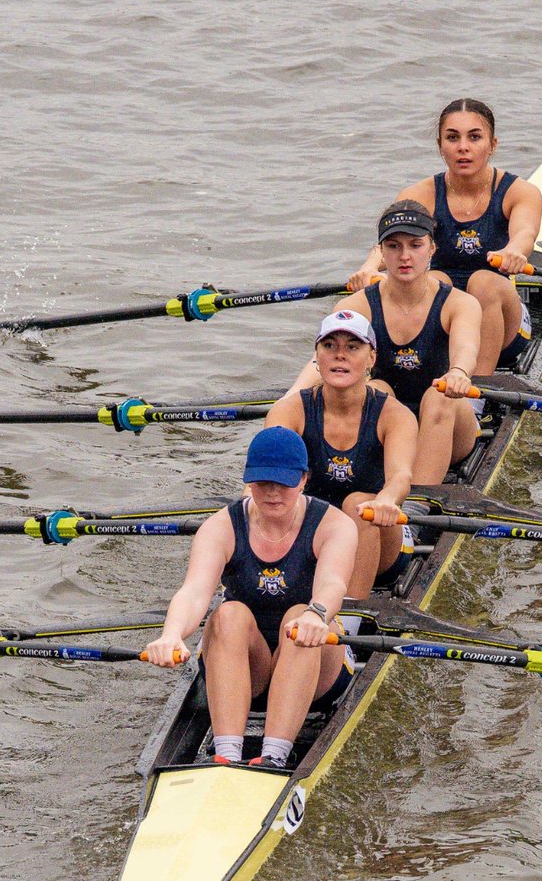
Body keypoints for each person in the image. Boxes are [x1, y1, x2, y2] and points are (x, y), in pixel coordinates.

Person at [144, 426, 358, 771]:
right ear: (248, 481)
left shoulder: (334, 525)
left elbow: (333, 583)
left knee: (298, 615)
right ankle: (226, 755)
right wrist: (171, 634)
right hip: (248, 667)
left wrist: (316, 615)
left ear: (303, 479)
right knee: (227, 614)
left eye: (282, 483)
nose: (272, 493)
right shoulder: (220, 527)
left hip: (318, 668)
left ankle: (273, 757)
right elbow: (194, 591)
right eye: (262, 483)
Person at [286, 204, 481, 485]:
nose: (404, 256)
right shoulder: (356, 305)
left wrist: (459, 372)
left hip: (447, 423)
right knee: (375, 389)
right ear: (381, 251)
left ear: (432, 249)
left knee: (438, 395)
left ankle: (417, 503)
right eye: (393, 246)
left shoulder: (459, 304)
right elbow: (327, 361)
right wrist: (289, 400)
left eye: (415, 245)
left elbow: (467, 347)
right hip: (385, 426)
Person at [347, 97, 542, 376]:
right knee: (433, 281)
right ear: (440, 146)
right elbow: (388, 245)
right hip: (447, 312)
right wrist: (368, 268)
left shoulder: (519, 192)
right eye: (452, 138)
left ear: (492, 145)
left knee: (483, 281)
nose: (463, 147)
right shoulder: (418, 195)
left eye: (474, 137)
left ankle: (478, 393)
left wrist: (514, 250)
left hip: (504, 324)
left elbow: (525, 232)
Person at [267, 309, 418, 600]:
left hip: (381, 538)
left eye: (352, 347)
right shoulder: (289, 411)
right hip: (314, 536)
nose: (340, 355)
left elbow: (401, 477)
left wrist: (386, 499)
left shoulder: (394, 415)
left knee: (358, 505)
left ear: (371, 358)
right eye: (330, 346)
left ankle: (348, 621)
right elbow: (267, 477)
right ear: (317, 357)